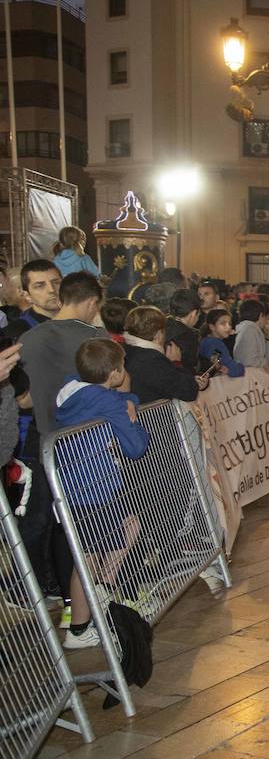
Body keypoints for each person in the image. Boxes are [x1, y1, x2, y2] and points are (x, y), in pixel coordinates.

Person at [52, 338, 150, 649]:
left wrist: (128, 399)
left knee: (130, 524)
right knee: (88, 560)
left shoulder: (70, 389)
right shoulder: (107, 402)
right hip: (95, 488)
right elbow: (135, 448)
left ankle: (104, 592)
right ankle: (78, 630)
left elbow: (114, 400)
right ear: (114, 373)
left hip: (80, 486)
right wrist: (135, 420)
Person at [18, 272, 109, 437]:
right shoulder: (96, 337)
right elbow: (116, 382)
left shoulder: (28, 337)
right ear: (93, 302)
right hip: (91, 433)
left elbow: (26, 400)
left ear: (61, 302)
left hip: (48, 436)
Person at [122, 306, 204, 404]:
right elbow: (188, 391)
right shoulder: (152, 360)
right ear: (158, 334)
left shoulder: (125, 351)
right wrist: (176, 363)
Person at [233, 299, 269, 369]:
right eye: (265, 317)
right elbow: (249, 361)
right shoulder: (250, 330)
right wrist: (264, 362)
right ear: (261, 315)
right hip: (249, 375)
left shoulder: (251, 329)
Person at [198, 309, 245, 378]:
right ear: (212, 327)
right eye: (223, 323)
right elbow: (234, 369)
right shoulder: (215, 344)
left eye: (230, 323)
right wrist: (240, 367)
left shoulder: (205, 341)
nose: (228, 327)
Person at [18, 259, 62, 329]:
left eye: (56, 283)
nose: (52, 290)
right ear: (27, 296)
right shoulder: (20, 332)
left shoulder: (81, 317)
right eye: (40, 286)